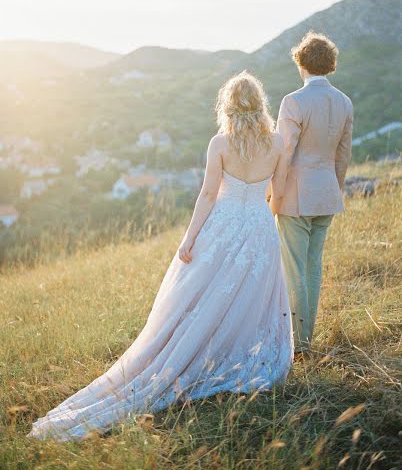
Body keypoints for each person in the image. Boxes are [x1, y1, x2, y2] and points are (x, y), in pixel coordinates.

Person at [28, 71, 293, 442]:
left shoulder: (220, 142)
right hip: (259, 226)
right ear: (261, 103)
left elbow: (206, 196)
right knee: (251, 297)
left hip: (223, 224)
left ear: (228, 105)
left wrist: (189, 239)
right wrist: (263, 220)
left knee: (201, 297)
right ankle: (241, 354)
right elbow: (278, 192)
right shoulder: (278, 142)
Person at [274, 31, 353, 357]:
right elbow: (343, 153)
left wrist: (274, 195)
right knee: (313, 268)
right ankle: (306, 341)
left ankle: (299, 345)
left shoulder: (293, 101)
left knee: (295, 272)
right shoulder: (344, 101)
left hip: (295, 196)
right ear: (330, 64)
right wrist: (334, 187)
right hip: (327, 195)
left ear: (301, 63)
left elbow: (284, 153)